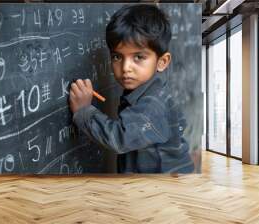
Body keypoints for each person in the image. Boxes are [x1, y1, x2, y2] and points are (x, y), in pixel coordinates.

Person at [69, 4, 194, 174]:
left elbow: (120, 138)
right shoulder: (144, 90)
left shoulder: (153, 104)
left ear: (162, 62)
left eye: (138, 57)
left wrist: (84, 111)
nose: (126, 67)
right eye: (117, 57)